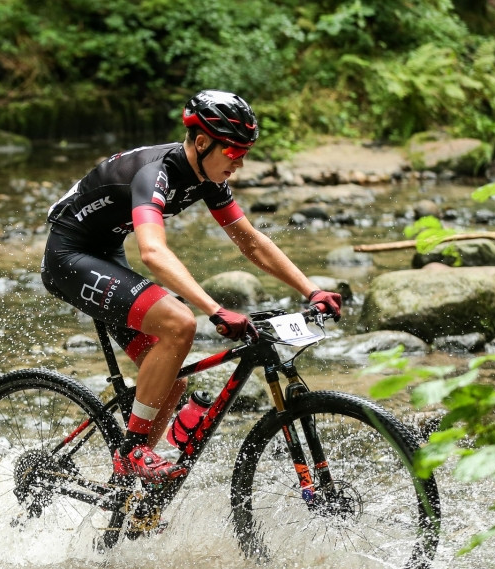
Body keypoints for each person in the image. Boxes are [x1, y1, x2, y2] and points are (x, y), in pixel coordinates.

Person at [40, 90, 342, 482]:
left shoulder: (207, 176)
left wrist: (311, 290)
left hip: (106, 252)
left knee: (173, 380)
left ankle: (129, 487)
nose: (240, 163)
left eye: (245, 153)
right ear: (202, 142)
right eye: (233, 152)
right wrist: (214, 309)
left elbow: (250, 242)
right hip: (69, 257)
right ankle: (132, 453)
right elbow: (152, 251)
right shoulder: (156, 173)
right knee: (180, 323)